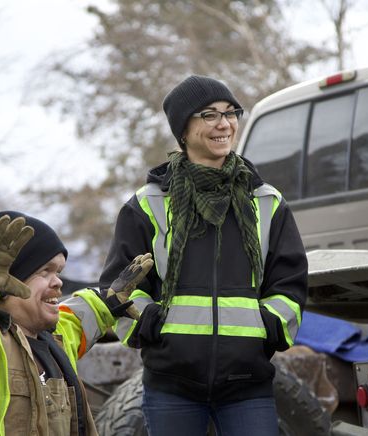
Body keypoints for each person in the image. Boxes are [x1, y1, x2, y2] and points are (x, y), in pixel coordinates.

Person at [99, 75, 308, 435]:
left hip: (248, 384)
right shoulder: (147, 205)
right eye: (209, 115)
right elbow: (118, 287)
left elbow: (290, 284)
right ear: (183, 129)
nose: (224, 124)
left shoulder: (267, 202)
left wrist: (267, 328)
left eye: (230, 113)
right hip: (171, 384)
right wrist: (151, 327)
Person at [0, 211, 152, 435]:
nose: (58, 282)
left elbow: (74, 322)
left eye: (58, 271)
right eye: (44, 271)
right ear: (1, 278)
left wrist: (105, 303)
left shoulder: (51, 340)